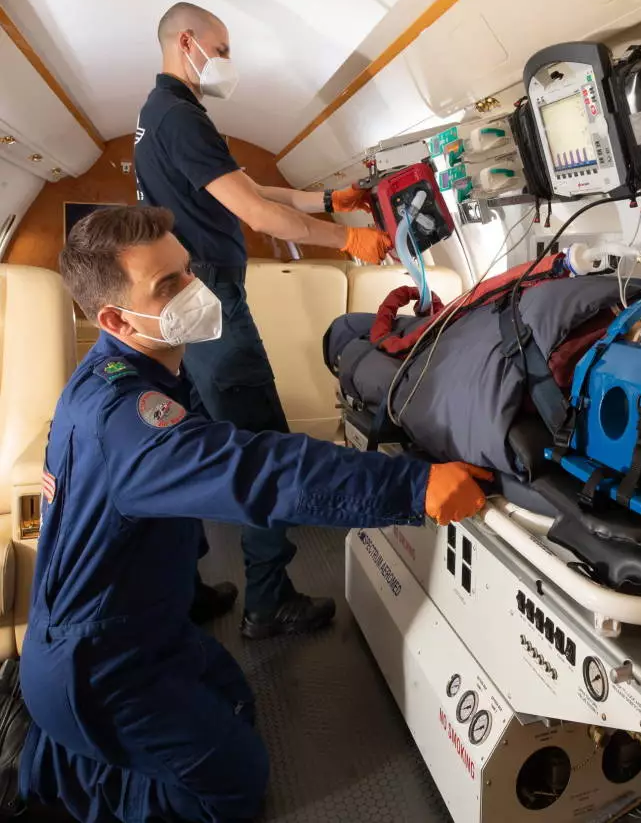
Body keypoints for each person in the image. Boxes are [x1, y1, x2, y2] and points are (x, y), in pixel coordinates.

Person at [4, 206, 489, 822]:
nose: (195, 289)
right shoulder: (125, 422)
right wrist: (413, 486)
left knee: (235, 699)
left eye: (187, 270)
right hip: (97, 661)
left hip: (143, 627)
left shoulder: (119, 370)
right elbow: (260, 472)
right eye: (168, 284)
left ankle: (69, 739)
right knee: (232, 787)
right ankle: (42, 773)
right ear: (115, 318)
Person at [134, 1, 393, 638]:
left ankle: (183, 589)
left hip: (181, 306)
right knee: (263, 449)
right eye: (221, 49)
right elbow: (256, 213)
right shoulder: (180, 116)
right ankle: (269, 601)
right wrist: (347, 238)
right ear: (187, 42)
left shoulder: (159, 113)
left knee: (188, 446)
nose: (227, 62)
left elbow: (244, 187)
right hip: (209, 301)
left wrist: (328, 197)